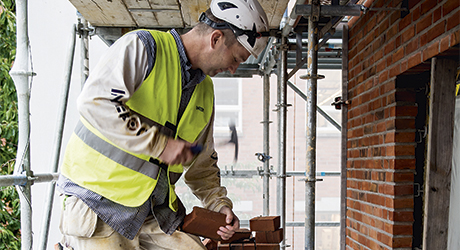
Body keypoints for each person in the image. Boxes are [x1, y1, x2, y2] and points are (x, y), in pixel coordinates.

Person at [56, 0, 269, 249]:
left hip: (152, 213)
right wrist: (159, 145)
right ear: (216, 39)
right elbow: (96, 102)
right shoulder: (144, 48)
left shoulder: (204, 91)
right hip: (98, 204)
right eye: (236, 58)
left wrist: (219, 205)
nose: (234, 69)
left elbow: (202, 166)